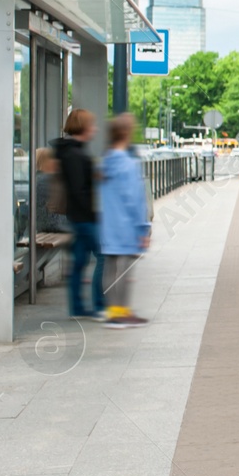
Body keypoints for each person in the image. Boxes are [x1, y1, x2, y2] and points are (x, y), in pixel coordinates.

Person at [99, 114, 151, 327]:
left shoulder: (103, 164)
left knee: (111, 268)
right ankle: (122, 313)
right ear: (127, 134)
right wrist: (143, 229)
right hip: (126, 226)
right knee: (126, 269)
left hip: (108, 225)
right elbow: (135, 200)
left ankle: (113, 311)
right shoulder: (129, 165)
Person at [55, 109, 103, 320]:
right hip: (85, 217)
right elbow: (79, 189)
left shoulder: (71, 151)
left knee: (80, 260)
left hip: (78, 216)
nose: (95, 129)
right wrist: (94, 213)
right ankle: (99, 305)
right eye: (92, 125)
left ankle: (77, 307)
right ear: (83, 127)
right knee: (104, 256)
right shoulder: (75, 154)